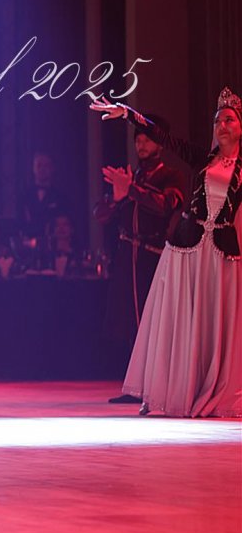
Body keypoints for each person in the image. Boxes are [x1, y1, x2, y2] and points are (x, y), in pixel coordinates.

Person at [91, 88, 241, 417]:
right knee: (181, 318)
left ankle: (209, 386)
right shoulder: (204, 159)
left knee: (213, 323)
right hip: (188, 248)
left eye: (230, 120)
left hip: (221, 255)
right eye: (218, 120)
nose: (222, 125)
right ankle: (172, 390)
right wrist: (128, 113)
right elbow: (166, 138)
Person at [93, 115, 185, 390]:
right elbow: (100, 214)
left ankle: (155, 385)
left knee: (151, 317)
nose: (142, 144)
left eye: (148, 139)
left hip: (152, 255)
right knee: (127, 320)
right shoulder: (131, 175)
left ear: (161, 144)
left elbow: (166, 205)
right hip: (127, 255)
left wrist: (131, 190)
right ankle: (133, 385)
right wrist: (118, 196)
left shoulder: (171, 176)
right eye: (138, 140)